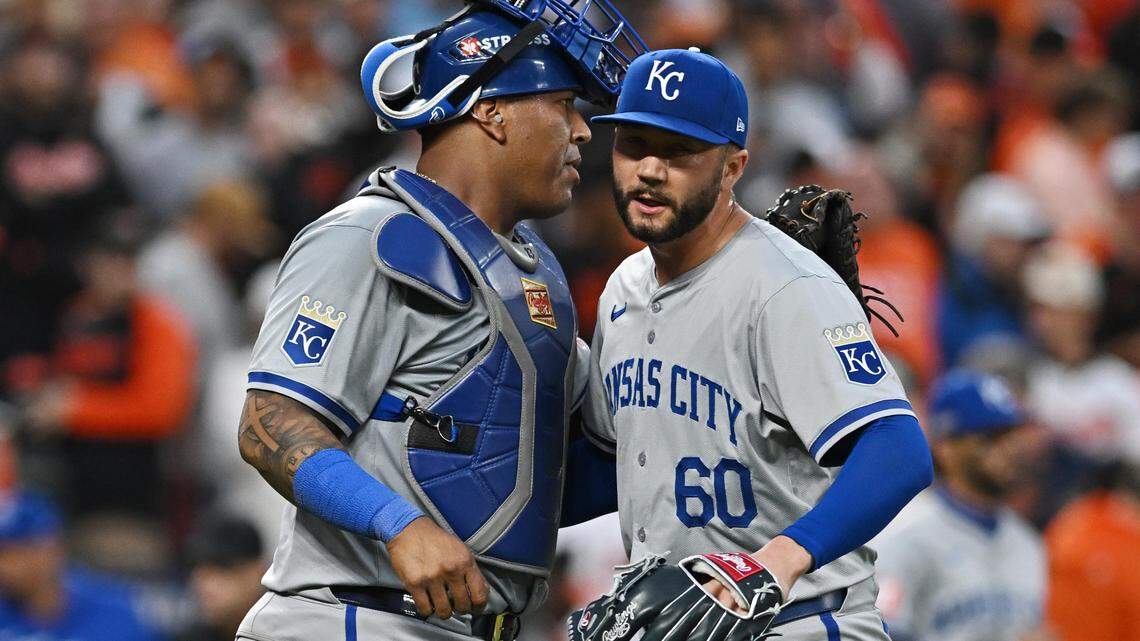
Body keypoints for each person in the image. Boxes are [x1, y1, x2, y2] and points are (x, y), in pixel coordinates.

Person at [234, 2, 645, 640]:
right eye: (565, 104)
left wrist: (737, 310)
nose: (583, 131)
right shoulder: (368, 236)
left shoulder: (536, 272)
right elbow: (270, 423)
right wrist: (395, 522)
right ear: (491, 110)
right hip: (352, 618)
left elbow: (552, 477)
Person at [578, 48, 932, 640]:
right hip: (681, 624)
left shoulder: (786, 287)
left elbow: (900, 449)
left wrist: (779, 561)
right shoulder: (621, 290)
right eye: (634, 145)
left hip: (803, 621)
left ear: (733, 167)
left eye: (680, 152)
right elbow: (611, 466)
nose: (650, 170)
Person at [874, 371, 1047, 641]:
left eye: (1012, 435)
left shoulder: (1029, 544)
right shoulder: (905, 534)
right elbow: (882, 634)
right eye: (990, 438)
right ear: (946, 447)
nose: (1009, 449)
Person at [0, 490, 161, 641]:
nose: (6, 566)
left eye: (18, 552)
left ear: (53, 548)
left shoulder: (115, 612)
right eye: (3, 554)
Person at [180, 514, 268, 641]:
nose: (203, 583)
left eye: (221, 566)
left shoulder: (290, 630)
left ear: (257, 572)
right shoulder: (190, 636)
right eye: (197, 567)